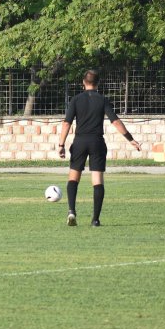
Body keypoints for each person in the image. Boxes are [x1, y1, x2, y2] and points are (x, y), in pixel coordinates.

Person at [57, 70, 142, 227]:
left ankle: (71, 211)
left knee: (73, 178)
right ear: (98, 83)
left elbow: (67, 123)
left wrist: (61, 144)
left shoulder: (76, 100)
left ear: (84, 82)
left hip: (80, 141)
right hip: (96, 141)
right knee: (97, 180)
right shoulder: (102, 100)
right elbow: (115, 121)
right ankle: (95, 220)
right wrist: (131, 139)